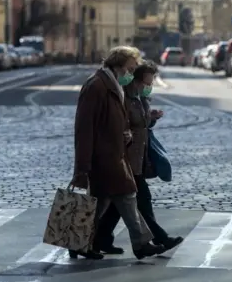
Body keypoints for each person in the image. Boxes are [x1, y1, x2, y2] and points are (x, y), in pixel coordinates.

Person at [70, 46, 165, 260]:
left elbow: (115, 120)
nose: (131, 75)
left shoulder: (112, 85)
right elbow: (83, 128)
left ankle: (78, 242)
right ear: (117, 65)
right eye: (130, 69)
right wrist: (82, 167)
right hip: (102, 158)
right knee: (127, 195)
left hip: (114, 155)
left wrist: (125, 133)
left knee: (103, 201)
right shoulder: (96, 86)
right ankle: (141, 244)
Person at [93, 61, 184, 254]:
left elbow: (142, 125)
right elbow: (120, 125)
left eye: (151, 83)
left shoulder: (141, 99)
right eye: (146, 83)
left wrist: (151, 118)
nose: (148, 87)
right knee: (141, 199)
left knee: (116, 204)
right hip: (124, 159)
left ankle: (101, 238)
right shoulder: (123, 97)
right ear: (136, 80)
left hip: (137, 159)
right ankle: (159, 238)